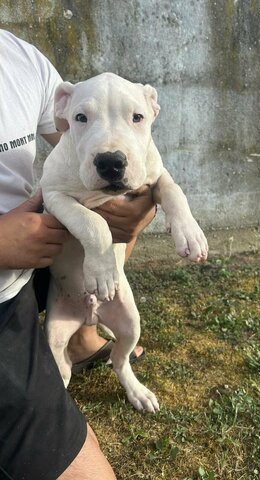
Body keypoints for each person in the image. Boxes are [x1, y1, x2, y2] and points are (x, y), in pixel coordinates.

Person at [0, 29, 155, 479]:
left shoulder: (21, 57)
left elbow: (84, 141)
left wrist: (135, 200)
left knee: (103, 225)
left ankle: (85, 336)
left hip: (35, 255)